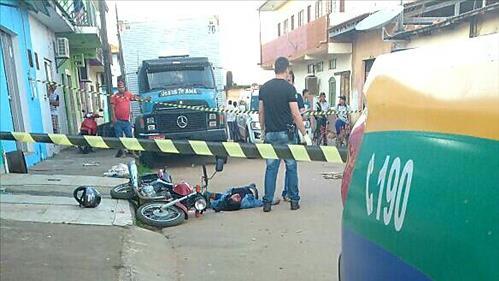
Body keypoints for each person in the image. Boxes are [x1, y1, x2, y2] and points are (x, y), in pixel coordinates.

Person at [259, 57, 312, 212]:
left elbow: (261, 111)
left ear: (275, 68)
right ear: (286, 69)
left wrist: (262, 130)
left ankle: (267, 203)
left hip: (270, 134)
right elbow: (296, 114)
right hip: (287, 134)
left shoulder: (265, 88)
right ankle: (294, 201)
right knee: (291, 166)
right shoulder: (289, 89)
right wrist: (305, 134)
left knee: (271, 168)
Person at [281, 70, 306, 202]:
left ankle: (288, 192)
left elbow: (301, 113)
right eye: (286, 80)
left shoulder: (297, 95)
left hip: (292, 132)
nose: (287, 82)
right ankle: (289, 193)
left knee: (290, 166)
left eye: (289, 80)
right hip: (281, 131)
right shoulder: (280, 94)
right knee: (286, 165)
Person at [111, 80, 139, 157]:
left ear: (124, 87)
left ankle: (132, 152)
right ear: (117, 88)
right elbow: (112, 108)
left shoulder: (128, 94)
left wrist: (144, 99)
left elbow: (135, 98)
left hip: (127, 121)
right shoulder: (114, 96)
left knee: (129, 136)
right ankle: (123, 153)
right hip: (118, 121)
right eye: (119, 87)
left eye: (122, 87)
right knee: (119, 138)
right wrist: (113, 118)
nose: (121, 88)